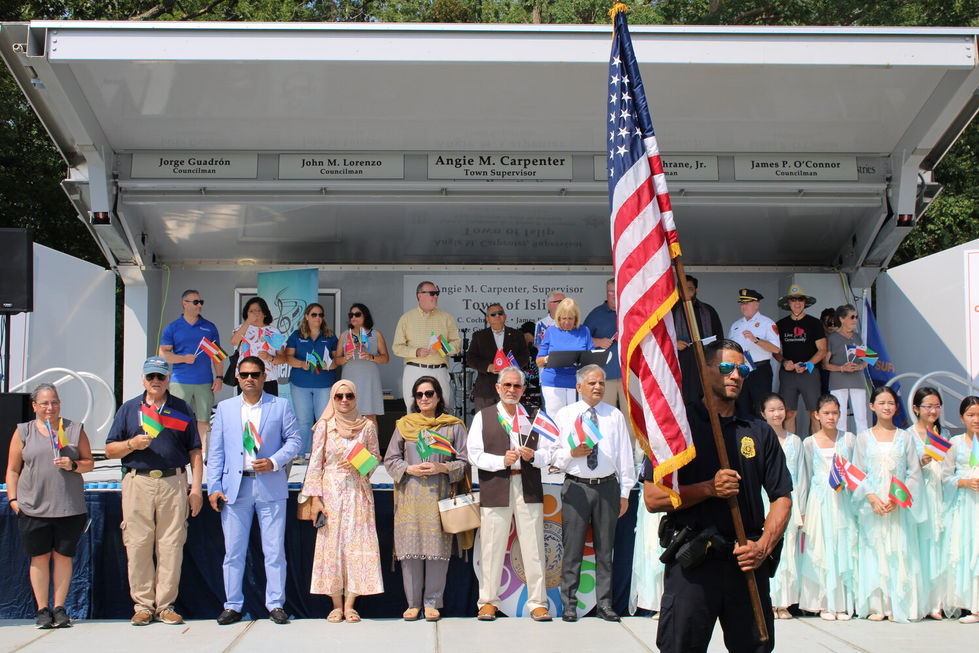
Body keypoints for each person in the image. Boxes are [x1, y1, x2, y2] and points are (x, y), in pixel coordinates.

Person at [642, 339, 791, 653]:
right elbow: (653, 498)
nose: (735, 375)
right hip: (694, 563)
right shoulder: (676, 429)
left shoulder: (759, 431)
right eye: (726, 367)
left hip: (747, 561)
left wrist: (763, 547)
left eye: (741, 370)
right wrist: (708, 488)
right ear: (704, 369)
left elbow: (782, 497)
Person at [104, 356, 204, 626]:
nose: (156, 381)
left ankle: (166, 605)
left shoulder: (181, 408)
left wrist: (196, 488)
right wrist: (132, 444)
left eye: (161, 376)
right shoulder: (129, 409)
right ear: (143, 379)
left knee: (171, 545)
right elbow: (110, 449)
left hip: (173, 482)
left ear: (168, 379)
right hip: (138, 482)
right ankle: (143, 605)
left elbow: (195, 450)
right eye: (151, 377)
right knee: (138, 544)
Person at [207, 356, 302, 626]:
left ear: (264, 377)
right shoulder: (225, 408)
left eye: (255, 374)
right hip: (235, 488)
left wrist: (274, 461)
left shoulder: (280, 405)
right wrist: (214, 487)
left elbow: (295, 440)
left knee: (274, 551)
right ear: (237, 377)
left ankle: (276, 604)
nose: (250, 378)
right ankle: (232, 605)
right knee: (233, 552)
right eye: (245, 374)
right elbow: (216, 451)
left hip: (269, 484)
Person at [549, 364, 636, 622]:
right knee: (572, 550)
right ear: (579, 387)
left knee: (605, 550)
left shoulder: (614, 415)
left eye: (601, 383)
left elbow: (625, 456)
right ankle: (569, 605)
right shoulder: (565, 415)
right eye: (592, 383)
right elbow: (553, 454)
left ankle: (605, 605)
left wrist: (625, 492)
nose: (598, 387)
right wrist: (571, 453)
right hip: (576, 486)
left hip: (607, 487)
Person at [5, 383, 94, 629]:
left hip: (68, 507)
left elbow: (89, 463)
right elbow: (12, 470)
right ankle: (43, 609)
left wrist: (73, 465)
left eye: (54, 402)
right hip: (33, 507)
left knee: (63, 557)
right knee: (39, 558)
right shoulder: (23, 432)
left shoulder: (74, 429)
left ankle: (60, 607)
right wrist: (13, 500)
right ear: (34, 406)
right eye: (44, 403)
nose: (50, 408)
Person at [468, 366, 552, 622]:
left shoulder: (535, 417)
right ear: (498, 387)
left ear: (523, 389)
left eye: (517, 386)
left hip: (528, 485)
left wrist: (534, 456)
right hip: (496, 484)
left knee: (534, 546)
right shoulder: (483, 417)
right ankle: (488, 602)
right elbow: (474, 455)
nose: (512, 390)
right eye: (507, 385)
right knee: (491, 547)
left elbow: (551, 452)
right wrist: (499, 461)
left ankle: (538, 603)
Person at [383, 376, 469, 621]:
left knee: (436, 550)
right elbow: (390, 459)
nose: (424, 398)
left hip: (439, 496)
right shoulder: (405, 425)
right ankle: (413, 604)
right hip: (409, 496)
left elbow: (464, 462)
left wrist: (443, 468)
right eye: (419, 394)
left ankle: (432, 602)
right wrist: (409, 469)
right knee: (409, 551)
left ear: (439, 396)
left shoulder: (453, 426)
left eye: (429, 393)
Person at [304, 379, 383, 623]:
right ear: (333, 399)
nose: (345, 400)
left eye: (349, 395)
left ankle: (350, 605)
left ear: (356, 397)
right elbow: (315, 463)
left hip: (358, 491)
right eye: (339, 396)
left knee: (357, 545)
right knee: (332, 547)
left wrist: (360, 462)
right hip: (331, 492)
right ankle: (336, 605)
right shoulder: (324, 427)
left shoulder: (367, 426)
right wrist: (315, 499)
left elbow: (375, 459)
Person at [850, 385, 925, 622]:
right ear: (872, 406)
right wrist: (871, 497)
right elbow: (857, 473)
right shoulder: (864, 438)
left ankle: (898, 604)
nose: (886, 407)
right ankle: (877, 605)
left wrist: (897, 498)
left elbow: (914, 473)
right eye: (881, 403)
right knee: (874, 550)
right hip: (873, 506)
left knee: (899, 550)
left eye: (891, 403)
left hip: (897, 506)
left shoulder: (905, 437)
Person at [796, 394, 856, 620]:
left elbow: (856, 472)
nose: (831, 417)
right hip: (819, 501)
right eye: (827, 413)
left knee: (842, 547)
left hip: (843, 501)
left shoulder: (848, 439)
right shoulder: (809, 443)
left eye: (835, 413)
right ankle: (824, 603)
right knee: (820, 549)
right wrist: (802, 509)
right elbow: (805, 476)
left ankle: (842, 604)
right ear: (817, 415)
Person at [159, 289, 223, 449]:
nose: (199, 305)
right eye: (195, 302)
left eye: (201, 302)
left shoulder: (209, 327)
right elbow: (163, 353)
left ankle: (202, 453)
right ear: (184, 304)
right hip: (180, 381)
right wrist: (183, 358)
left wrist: (219, 377)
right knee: (177, 418)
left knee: (204, 420)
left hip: (204, 381)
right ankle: (177, 451)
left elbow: (217, 355)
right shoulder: (173, 327)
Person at [909, 387, 952, 620]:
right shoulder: (908, 435)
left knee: (940, 545)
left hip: (941, 494)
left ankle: (937, 602)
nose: (933, 411)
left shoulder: (945, 434)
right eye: (928, 406)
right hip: (920, 495)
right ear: (916, 408)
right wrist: (920, 461)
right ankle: (920, 601)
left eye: (937, 406)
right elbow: (904, 469)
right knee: (921, 546)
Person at [757, 393, 802, 620]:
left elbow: (802, 478)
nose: (777, 414)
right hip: (765, 501)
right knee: (766, 546)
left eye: (780, 409)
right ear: (763, 414)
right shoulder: (759, 439)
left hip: (789, 502)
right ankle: (767, 601)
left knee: (787, 550)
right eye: (772, 410)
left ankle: (784, 602)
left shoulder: (795, 441)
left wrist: (802, 509)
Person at [392, 281, 461, 410]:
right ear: (420, 295)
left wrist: (441, 348)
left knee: (442, 411)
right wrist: (416, 352)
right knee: (414, 412)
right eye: (432, 293)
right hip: (415, 370)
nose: (436, 296)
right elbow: (397, 347)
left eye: (437, 293)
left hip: (439, 370)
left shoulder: (446, 317)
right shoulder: (406, 318)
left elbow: (457, 344)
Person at [284, 303, 339, 455]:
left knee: (323, 421)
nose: (318, 318)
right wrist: (301, 364)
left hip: (324, 383)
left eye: (320, 315)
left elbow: (337, 360)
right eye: (314, 314)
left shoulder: (330, 336)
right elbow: (288, 357)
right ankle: (301, 454)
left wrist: (330, 365)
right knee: (304, 421)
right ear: (307, 316)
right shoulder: (296, 335)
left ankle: (321, 455)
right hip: (300, 383)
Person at [775, 285, 826, 434]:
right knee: (788, 413)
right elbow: (775, 351)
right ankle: (791, 447)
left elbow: (822, 350)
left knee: (815, 413)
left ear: (805, 302)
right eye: (793, 299)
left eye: (800, 299)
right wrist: (784, 362)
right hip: (788, 374)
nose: (797, 303)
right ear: (788, 303)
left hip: (809, 372)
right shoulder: (780, 324)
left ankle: (815, 446)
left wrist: (808, 364)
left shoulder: (815, 323)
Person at [945, 396, 979, 623]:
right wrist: (965, 482)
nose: (976, 419)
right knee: (967, 550)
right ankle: (972, 605)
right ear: (961, 417)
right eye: (971, 415)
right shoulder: (955, 444)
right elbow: (945, 477)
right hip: (965, 505)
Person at [466, 303, 531, 411]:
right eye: (493, 314)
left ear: (505, 316)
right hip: (486, 390)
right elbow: (470, 358)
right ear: (487, 319)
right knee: (485, 420)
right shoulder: (479, 336)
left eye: (500, 313)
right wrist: (488, 367)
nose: (497, 316)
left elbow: (525, 356)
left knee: (509, 420)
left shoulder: (517, 334)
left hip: (511, 389)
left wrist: (512, 366)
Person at [727, 289, 780, 417]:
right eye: (742, 303)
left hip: (759, 370)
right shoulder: (736, 325)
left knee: (761, 408)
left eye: (747, 303)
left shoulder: (767, 323)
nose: (743, 306)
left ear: (756, 304)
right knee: (741, 407)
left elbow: (776, 349)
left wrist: (756, 340)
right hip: (741, 370)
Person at [536, 297, 592, 416]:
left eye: (570, 318)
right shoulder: (551, 331)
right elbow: (539, 361)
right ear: (558, 317)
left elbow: (592, 356)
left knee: (576, 418)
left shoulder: (584, 331)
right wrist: (547, 359)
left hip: (577, 383)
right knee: (556, 418)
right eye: (563, 318)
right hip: (553, 383)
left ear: (576, 318)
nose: (566, 322)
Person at [672, 275, 723, 404]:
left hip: (705, 360)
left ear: (696, 290)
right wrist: (674, 344)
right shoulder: (671, 311)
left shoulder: (708, 310)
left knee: (707, 398)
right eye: (682, 288)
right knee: (684, 399)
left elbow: (719, 337)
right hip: (682, 361)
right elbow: (661, 338)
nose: (685, 292)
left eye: (689, 289)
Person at [335, 303, 389, 424]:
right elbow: (336, 360)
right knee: (349, 415)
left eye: (357, 314)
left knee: (370, 416)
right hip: (350, 377)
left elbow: (386, 358)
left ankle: (372, 438)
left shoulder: (376, 334)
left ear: (365, 316)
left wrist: (371, 357)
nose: (353, 317)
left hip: (369, 378)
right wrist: (346, 358)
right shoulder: (344, 335)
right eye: (351, 315)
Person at [823, 304, 870, 434]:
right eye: (852, 317)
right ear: (842, 319)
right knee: (839, 417)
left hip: (857, 381)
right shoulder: (832, 338)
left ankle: (863, 444)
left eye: (856, 317)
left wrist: (860, 366)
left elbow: (868, 359)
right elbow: (825, 364)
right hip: (838, 382)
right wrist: (841, 368)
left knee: (861, 417)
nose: (855, 320)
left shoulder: (857, 337)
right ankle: (841, 444)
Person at [230, 297, 286, 396]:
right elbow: (234, 342)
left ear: (265, 313)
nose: (254, 314)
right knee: (246, 405)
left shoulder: (273, 332)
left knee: (269, 405)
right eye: (251, 311)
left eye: (258, 311)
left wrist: (270, 357)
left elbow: (283, 359)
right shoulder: (242, 328)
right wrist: (248, 322)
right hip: (246, 377)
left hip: (268, 379)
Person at [818, 309, 839, 396]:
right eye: (829, 323)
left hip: (841, 380)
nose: (832, 326)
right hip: (822, 379)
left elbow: (869, 355)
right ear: (822, 323)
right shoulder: (816, 340)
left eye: (835, 323)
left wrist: (861, 365)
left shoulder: (845, 337)